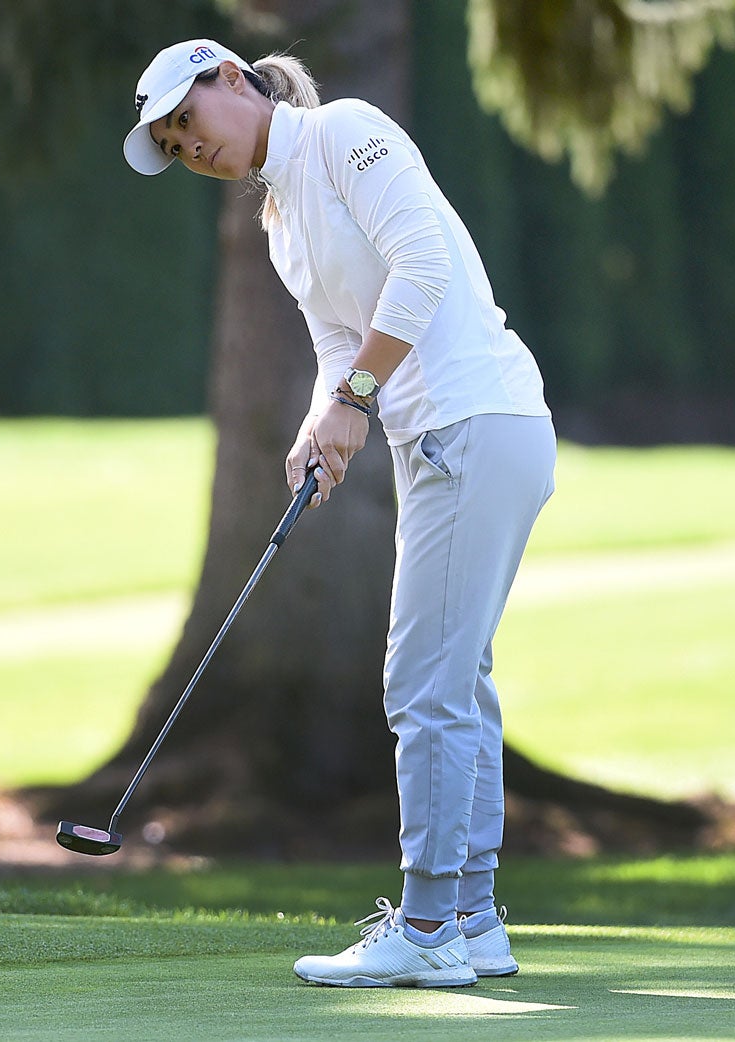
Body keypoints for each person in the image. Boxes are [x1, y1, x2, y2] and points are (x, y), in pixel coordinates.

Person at [123, 39, 556, 988]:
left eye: (188, 121)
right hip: (449, 436)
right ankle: (472, 919)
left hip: (473, 421)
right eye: (174, 145)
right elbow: (336, 343)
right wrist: (323, 422)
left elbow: (422, 264)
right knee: (456, 681)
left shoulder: (344, 133)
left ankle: (429, 926)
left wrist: (356, 398)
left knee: (422, 684)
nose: (191, 148)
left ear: (232, 78)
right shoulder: (280, 221)